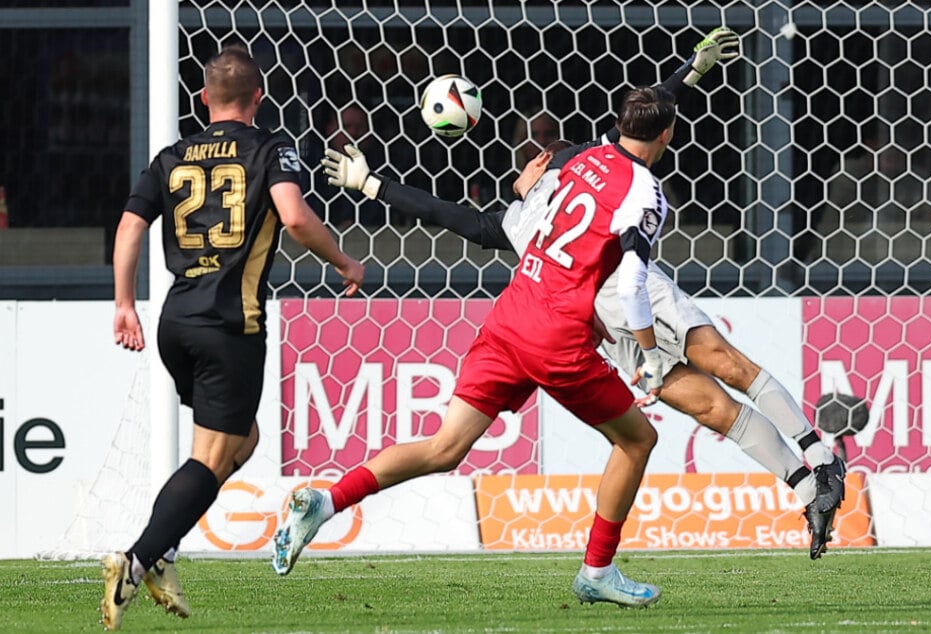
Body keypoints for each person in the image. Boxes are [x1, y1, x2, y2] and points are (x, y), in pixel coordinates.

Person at [319, 27, 846, 560]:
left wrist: (373, 185)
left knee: (720, 362)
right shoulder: (538, 204)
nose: (534, 158)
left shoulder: (570, 170)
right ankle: (807, 487)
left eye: (539, 148)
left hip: (626, 289)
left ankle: (818, 456)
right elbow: (476, 220)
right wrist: (690, 72)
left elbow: (638, 126)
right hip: (600, 313)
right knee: (705, 405)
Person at [272, 85, 683, 609]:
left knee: (445, 447)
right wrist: (649, 357)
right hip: (556, 337)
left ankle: (326, 502)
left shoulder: (580, 160)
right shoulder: (646, 193)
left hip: (510, 317)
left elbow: (472, 218)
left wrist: (379, 184)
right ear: (667, 135)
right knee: (637, 441)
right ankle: (597, 570)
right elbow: (629, 286)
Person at [100, 45, 365, 631]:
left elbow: (129, 225)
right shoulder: (272, 148)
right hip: (231, 323)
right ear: (259, 98)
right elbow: (294, 218)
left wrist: (123, 304)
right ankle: (140, 557)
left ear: (203, 98)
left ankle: (164, 552)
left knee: (241, 441)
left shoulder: (172, 155)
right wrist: (345, 262)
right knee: (212, 457)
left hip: (176, 322)